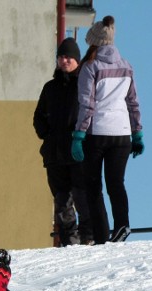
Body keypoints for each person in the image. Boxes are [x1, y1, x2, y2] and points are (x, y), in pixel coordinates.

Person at [72, 16, 143, 244]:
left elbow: (87, 104)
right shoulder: (127, 66)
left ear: (94, 42)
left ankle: (102, 236)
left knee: (93, 186)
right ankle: (122, 226)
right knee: (117, 183)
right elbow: (133, 102)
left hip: (97, 134)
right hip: (122, 134)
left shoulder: (90, 67)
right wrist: (137, 132)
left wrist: (79, 134)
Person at [34, 38, 103, 246]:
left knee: (82, 197)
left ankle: (88, 238)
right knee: (61, 201)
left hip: (78, 150)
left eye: (69, 57)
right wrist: (46, 133)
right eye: (61, 57)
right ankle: (68, 242)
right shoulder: (50, 87)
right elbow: (38, 116)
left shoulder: (84, 83)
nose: (64, 61)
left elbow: (92, 113)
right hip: (54, 153)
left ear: (77, 60)